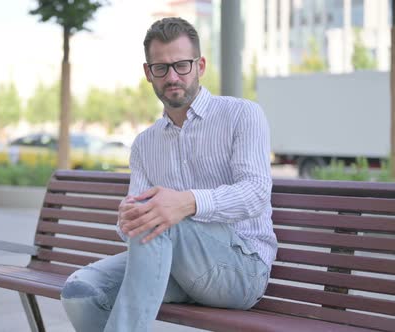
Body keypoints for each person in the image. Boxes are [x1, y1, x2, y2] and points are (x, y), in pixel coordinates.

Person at [60, 17, 277, 332]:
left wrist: (187, 203)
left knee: (161, 216)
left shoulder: (242, 115)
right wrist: (127, 219)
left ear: (200, 66)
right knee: (82, 291)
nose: (172, 76)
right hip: (175, 269)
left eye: (182, 65)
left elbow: (256, 193)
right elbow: (137, 228)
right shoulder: (145, 144)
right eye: (161, 68)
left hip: (242, 270)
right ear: (149, 73)